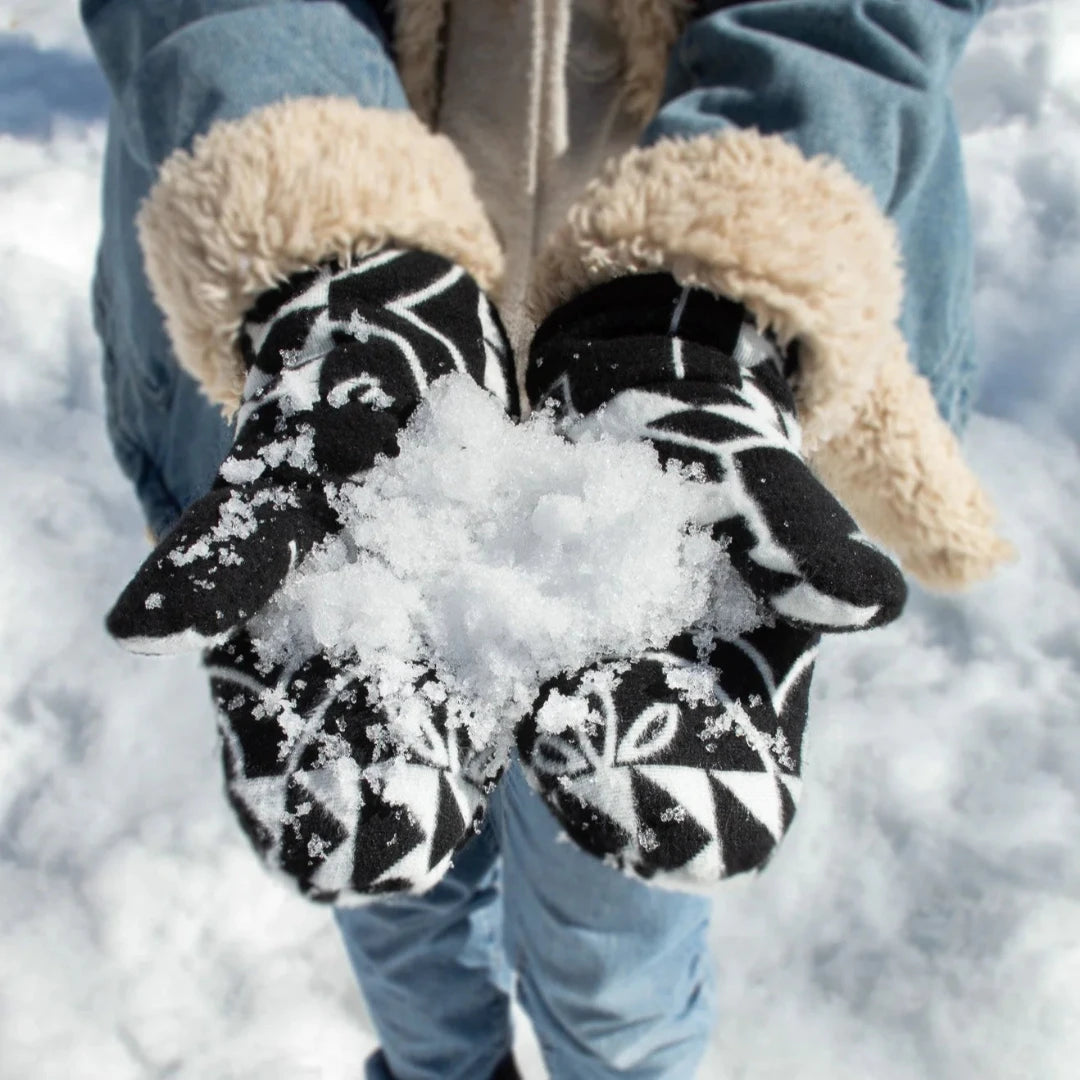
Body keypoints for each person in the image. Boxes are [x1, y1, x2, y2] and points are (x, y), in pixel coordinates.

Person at [83, 2, 1010, 1077]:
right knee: (387, 860)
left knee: (620, 940)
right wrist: (328, 247)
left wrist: (711, 295)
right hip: (326, 353)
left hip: (695, 356)